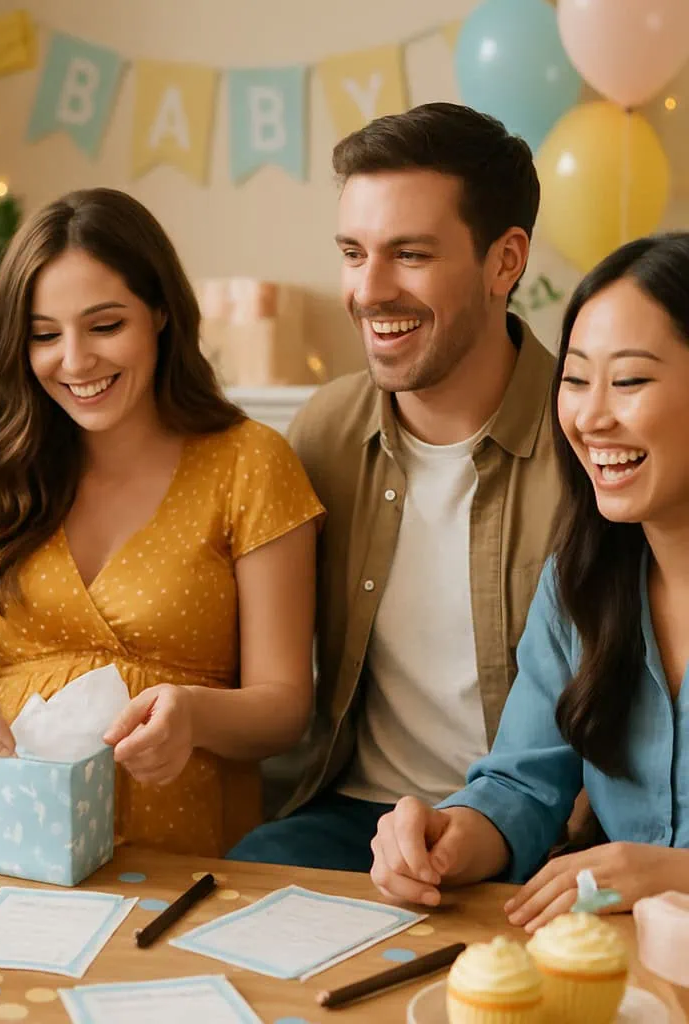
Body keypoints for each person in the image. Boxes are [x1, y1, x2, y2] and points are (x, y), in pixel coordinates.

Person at [0, 187, 323, 857]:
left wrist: (194, 714)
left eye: (105, 325)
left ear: (161, 313)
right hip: (0, 841)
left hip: (180, 851)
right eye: (44, 335)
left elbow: (284, 708)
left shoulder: (251, 463)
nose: (76, 360)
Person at [228, 102, 560, 870]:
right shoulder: (322, 433)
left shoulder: (590, 442)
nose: (369, 290)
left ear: (505, 262)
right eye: (353, 252)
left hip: (546, 831)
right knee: (238, 882)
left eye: (409, 254)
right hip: (355, 817)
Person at [370, 233, 689, 930]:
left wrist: (673, 874)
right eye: (575, 380)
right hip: (614, 963)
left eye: (629, 381)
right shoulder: (580, 583)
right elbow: (524, 783)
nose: (591, 417)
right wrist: (446, 840)